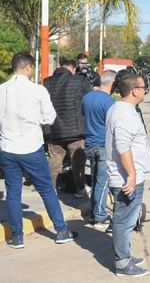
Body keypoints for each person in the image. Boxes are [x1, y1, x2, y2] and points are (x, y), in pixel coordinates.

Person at [0, 52, 78, 249]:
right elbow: (50, 118)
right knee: (46, 190)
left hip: (8, 149)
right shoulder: (38, 90)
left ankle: (17, 237)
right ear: (28, 67)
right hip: (32, 149)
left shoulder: (2, 90)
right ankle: (61, 231)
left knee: (13, 194)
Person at [105, 73, 150, 277]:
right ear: (134, 91)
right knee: (124, 221)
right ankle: (123, 264)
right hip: (127, 178)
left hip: (129, 175)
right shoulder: (124, 113)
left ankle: (125, 255)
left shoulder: (121, 108)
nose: (145, 91)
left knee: (127, 220)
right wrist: (132, 175)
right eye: (143, 88)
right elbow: (123, 146)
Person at [43, 58, 93, 198]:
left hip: (54, 130)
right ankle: (80, 188)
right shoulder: (80, 81)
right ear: (73, 69)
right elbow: (90, 99)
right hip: (75, 131)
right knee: (77, 162)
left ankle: (52, 189)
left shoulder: (47, 82)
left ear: (60, 67)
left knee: (54, 160)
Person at [82, 69, 117, 229]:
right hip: (103, 146)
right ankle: (100, 217)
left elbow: (83, 120)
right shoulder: (109, 102)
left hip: (90, 144)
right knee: (102, 183)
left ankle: (93, 214)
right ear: (112, 84)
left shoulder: (87, 97)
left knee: (96, 181)